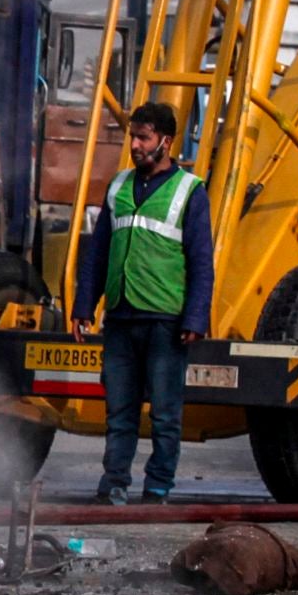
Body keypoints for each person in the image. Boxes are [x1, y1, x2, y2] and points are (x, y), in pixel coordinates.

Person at [70, 101, 212, 504]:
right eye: (133, 136)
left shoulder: (189, 192)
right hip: (120, 316)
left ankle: (158, 486)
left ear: (165, 141)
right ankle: (114, 482)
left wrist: (196, 315)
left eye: (143, 137)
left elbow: (202, 260)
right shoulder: (117, 187)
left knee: (165, 414)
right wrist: (84, 306)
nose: (135, 144)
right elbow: (98, 253)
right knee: (120, 411)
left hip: (165, 320)